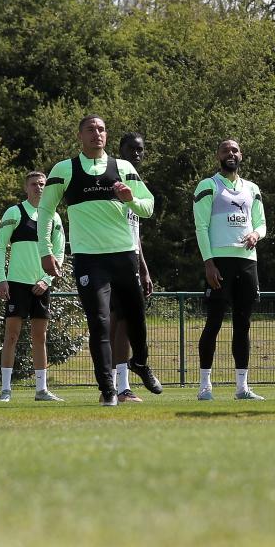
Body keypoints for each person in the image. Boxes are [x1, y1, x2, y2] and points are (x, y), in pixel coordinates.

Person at [38, 115, 162, 406]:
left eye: (102, 129)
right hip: (89, 260)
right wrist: (46, 251)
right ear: (80, 135)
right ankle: (108, 389)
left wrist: (131, 198)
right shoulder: (65, 169)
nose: (97, 134)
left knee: (136, 319)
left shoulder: (124, 168)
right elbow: (45, 211)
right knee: (100, 322)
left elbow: (149, 208)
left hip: (124, 256)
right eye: (91, 129)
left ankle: (141, 364)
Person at [193, 139, 266, 401]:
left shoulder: (252, 189)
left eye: (234, 150)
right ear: (218, 157)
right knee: (213, 323)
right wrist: (209, 263)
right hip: (219, 263)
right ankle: (205, 386)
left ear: (241, 155)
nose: (230, 154)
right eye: (225, 150)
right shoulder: (208, 186)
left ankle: (242, 387)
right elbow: (200, 227)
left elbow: (261, 224)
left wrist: (256, 235)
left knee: (243, 325)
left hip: (247, 262)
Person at [0, 171, 65, 403]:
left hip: (41, 286)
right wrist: (2, 279)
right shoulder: (14, 212)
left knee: (39, 338)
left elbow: (60, 253)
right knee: (11, 336)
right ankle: (5, 390)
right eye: (34, 184)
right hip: (17, 284)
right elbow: (0, 247)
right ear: (26, 188)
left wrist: (47, 280)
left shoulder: (53, 217)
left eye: (43, 184)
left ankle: (41, 390)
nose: (39, 188)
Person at [107, 132, 154, 403]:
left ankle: (113, 384)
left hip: (130, 260)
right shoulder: (111, 178)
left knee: (119, 320)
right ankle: (119, 386)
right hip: (109, 257)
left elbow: (135, 234)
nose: (137, 154)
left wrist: (144, 268)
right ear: (120, 150)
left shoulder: (136, 186)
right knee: (118, 321)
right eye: (131, 149)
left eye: (141, 149)